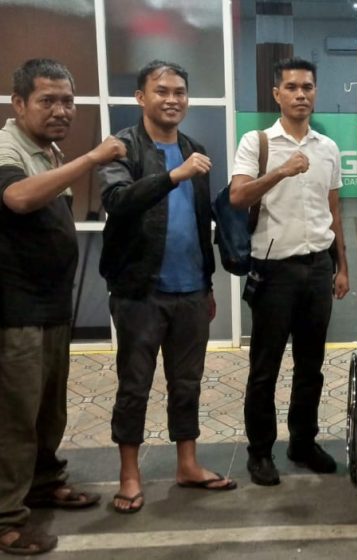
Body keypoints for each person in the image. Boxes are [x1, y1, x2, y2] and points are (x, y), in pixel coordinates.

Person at [99, 60, 236, 515]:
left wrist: (208, 283)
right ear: (141, 97)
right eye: (161, 91)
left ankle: (187, 464)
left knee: (187, 383)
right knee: (134, 385)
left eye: (179, 91)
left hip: (191, 289)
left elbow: (200, 223)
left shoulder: (195, 149)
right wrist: (174, 176)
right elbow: (117, 201)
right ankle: (129, 474)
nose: (172, 99)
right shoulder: (122, 147)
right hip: (139, 291)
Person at [0, 58, 124, 555]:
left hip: (51, 307)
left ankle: (44, 483)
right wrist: (92, 158)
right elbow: (17, 198)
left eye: (68, 101)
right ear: (19, 103)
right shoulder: (8, 147)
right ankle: (6, 518)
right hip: (15, 312)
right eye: (47, 100)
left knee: (47, 411)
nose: (61, 110)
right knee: (14, 417)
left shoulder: (48, 151)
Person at [230, 57, 349, 485]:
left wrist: (342, 266)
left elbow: (333, 210)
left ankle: (303, 442)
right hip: (273, 270)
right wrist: (281, 170)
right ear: (276, 93)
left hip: (318, 267)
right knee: (265, 367)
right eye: (292, 87)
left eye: (308, 87)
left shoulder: (327, 147)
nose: (301, 94)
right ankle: (260, 452)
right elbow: (238, 197)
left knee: (310, 365)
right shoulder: (257, 142)